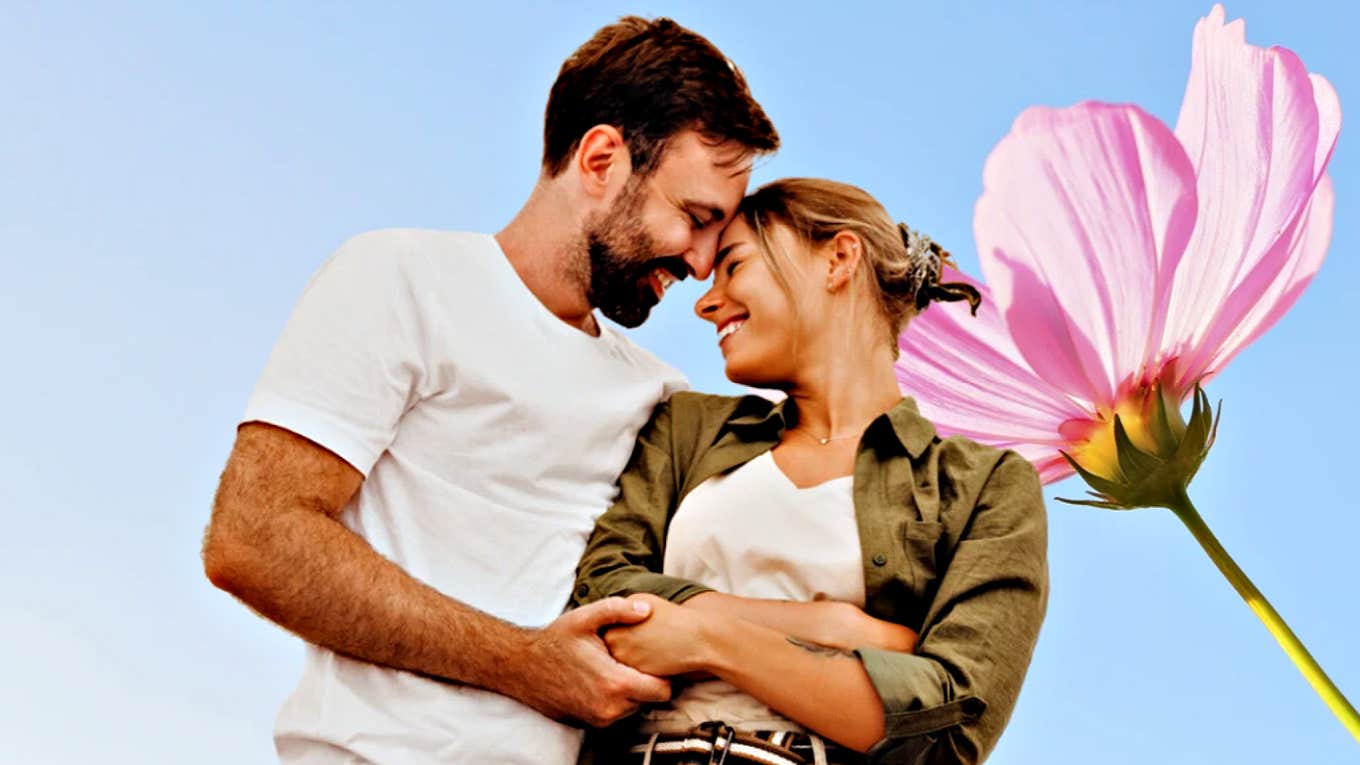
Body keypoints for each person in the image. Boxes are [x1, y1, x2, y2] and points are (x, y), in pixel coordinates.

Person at [200, 16, 778, 764]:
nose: (703, 263)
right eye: (694, 218)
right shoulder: (402, 279)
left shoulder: (660, 398)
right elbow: (252, 538)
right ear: (601, 158)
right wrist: (522, 663)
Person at [573, 178, 1048, 764]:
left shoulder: (983, 486)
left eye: (734, 265)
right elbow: (604, 596)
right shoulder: (688, 428)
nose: (705, 302)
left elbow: (949, 727)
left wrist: (704, 638)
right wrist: (834, 626)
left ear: (839, 259)